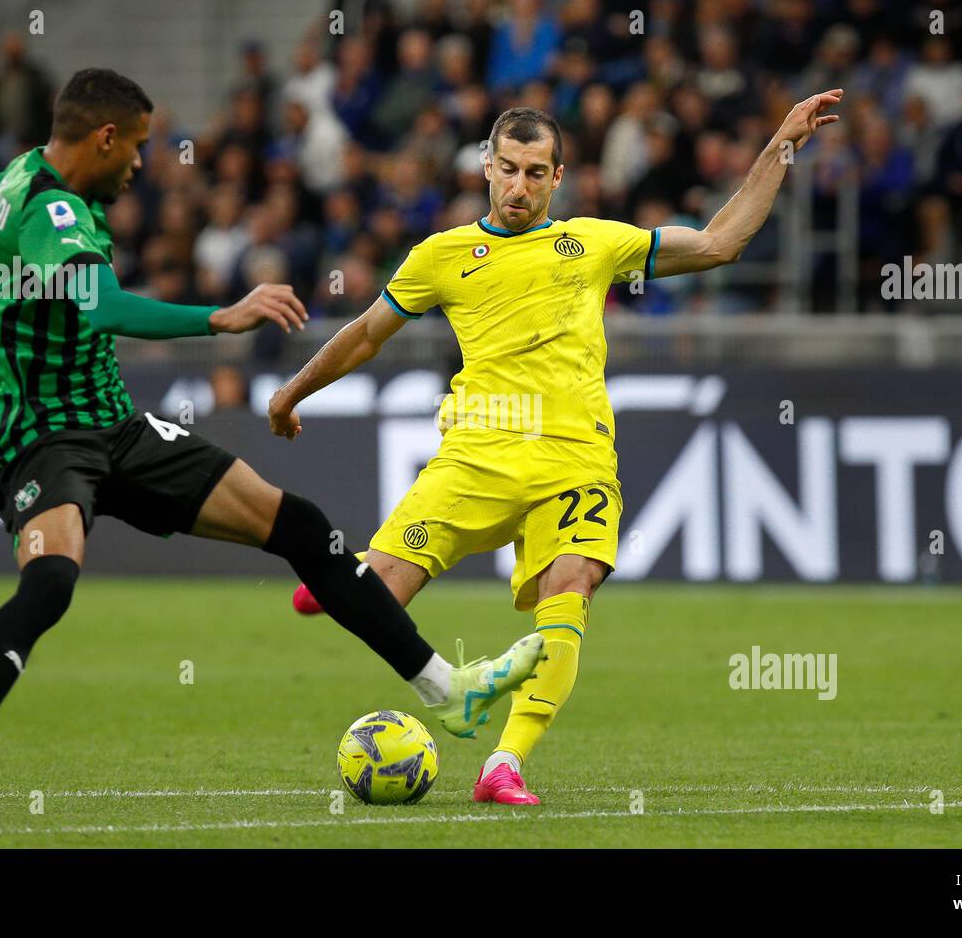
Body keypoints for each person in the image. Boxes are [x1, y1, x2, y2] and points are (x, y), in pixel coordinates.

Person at [0, 69, 543, 833]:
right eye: (138, 147)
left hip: (117, 426)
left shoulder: (11, 182)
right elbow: (103, 306)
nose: (143, 164)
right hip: (44, 438)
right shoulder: (53, 208)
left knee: (301, 527)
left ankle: (449, 689)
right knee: (48, 585)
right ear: (105, 138)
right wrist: (221, 316)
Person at [269, 91, 843, 805]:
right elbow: (363, 332)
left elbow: (722, 242)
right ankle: (354, 575)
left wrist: (780, 143)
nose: (519, 186)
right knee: (379, 597)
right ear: (485, 166)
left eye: (536, 172)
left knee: (568, 589)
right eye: (507, 168)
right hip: (475, 457)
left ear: (559, 177)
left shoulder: (595, 242)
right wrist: (292, 391)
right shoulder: (442, 256)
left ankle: (503, 765)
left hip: (575, 462)